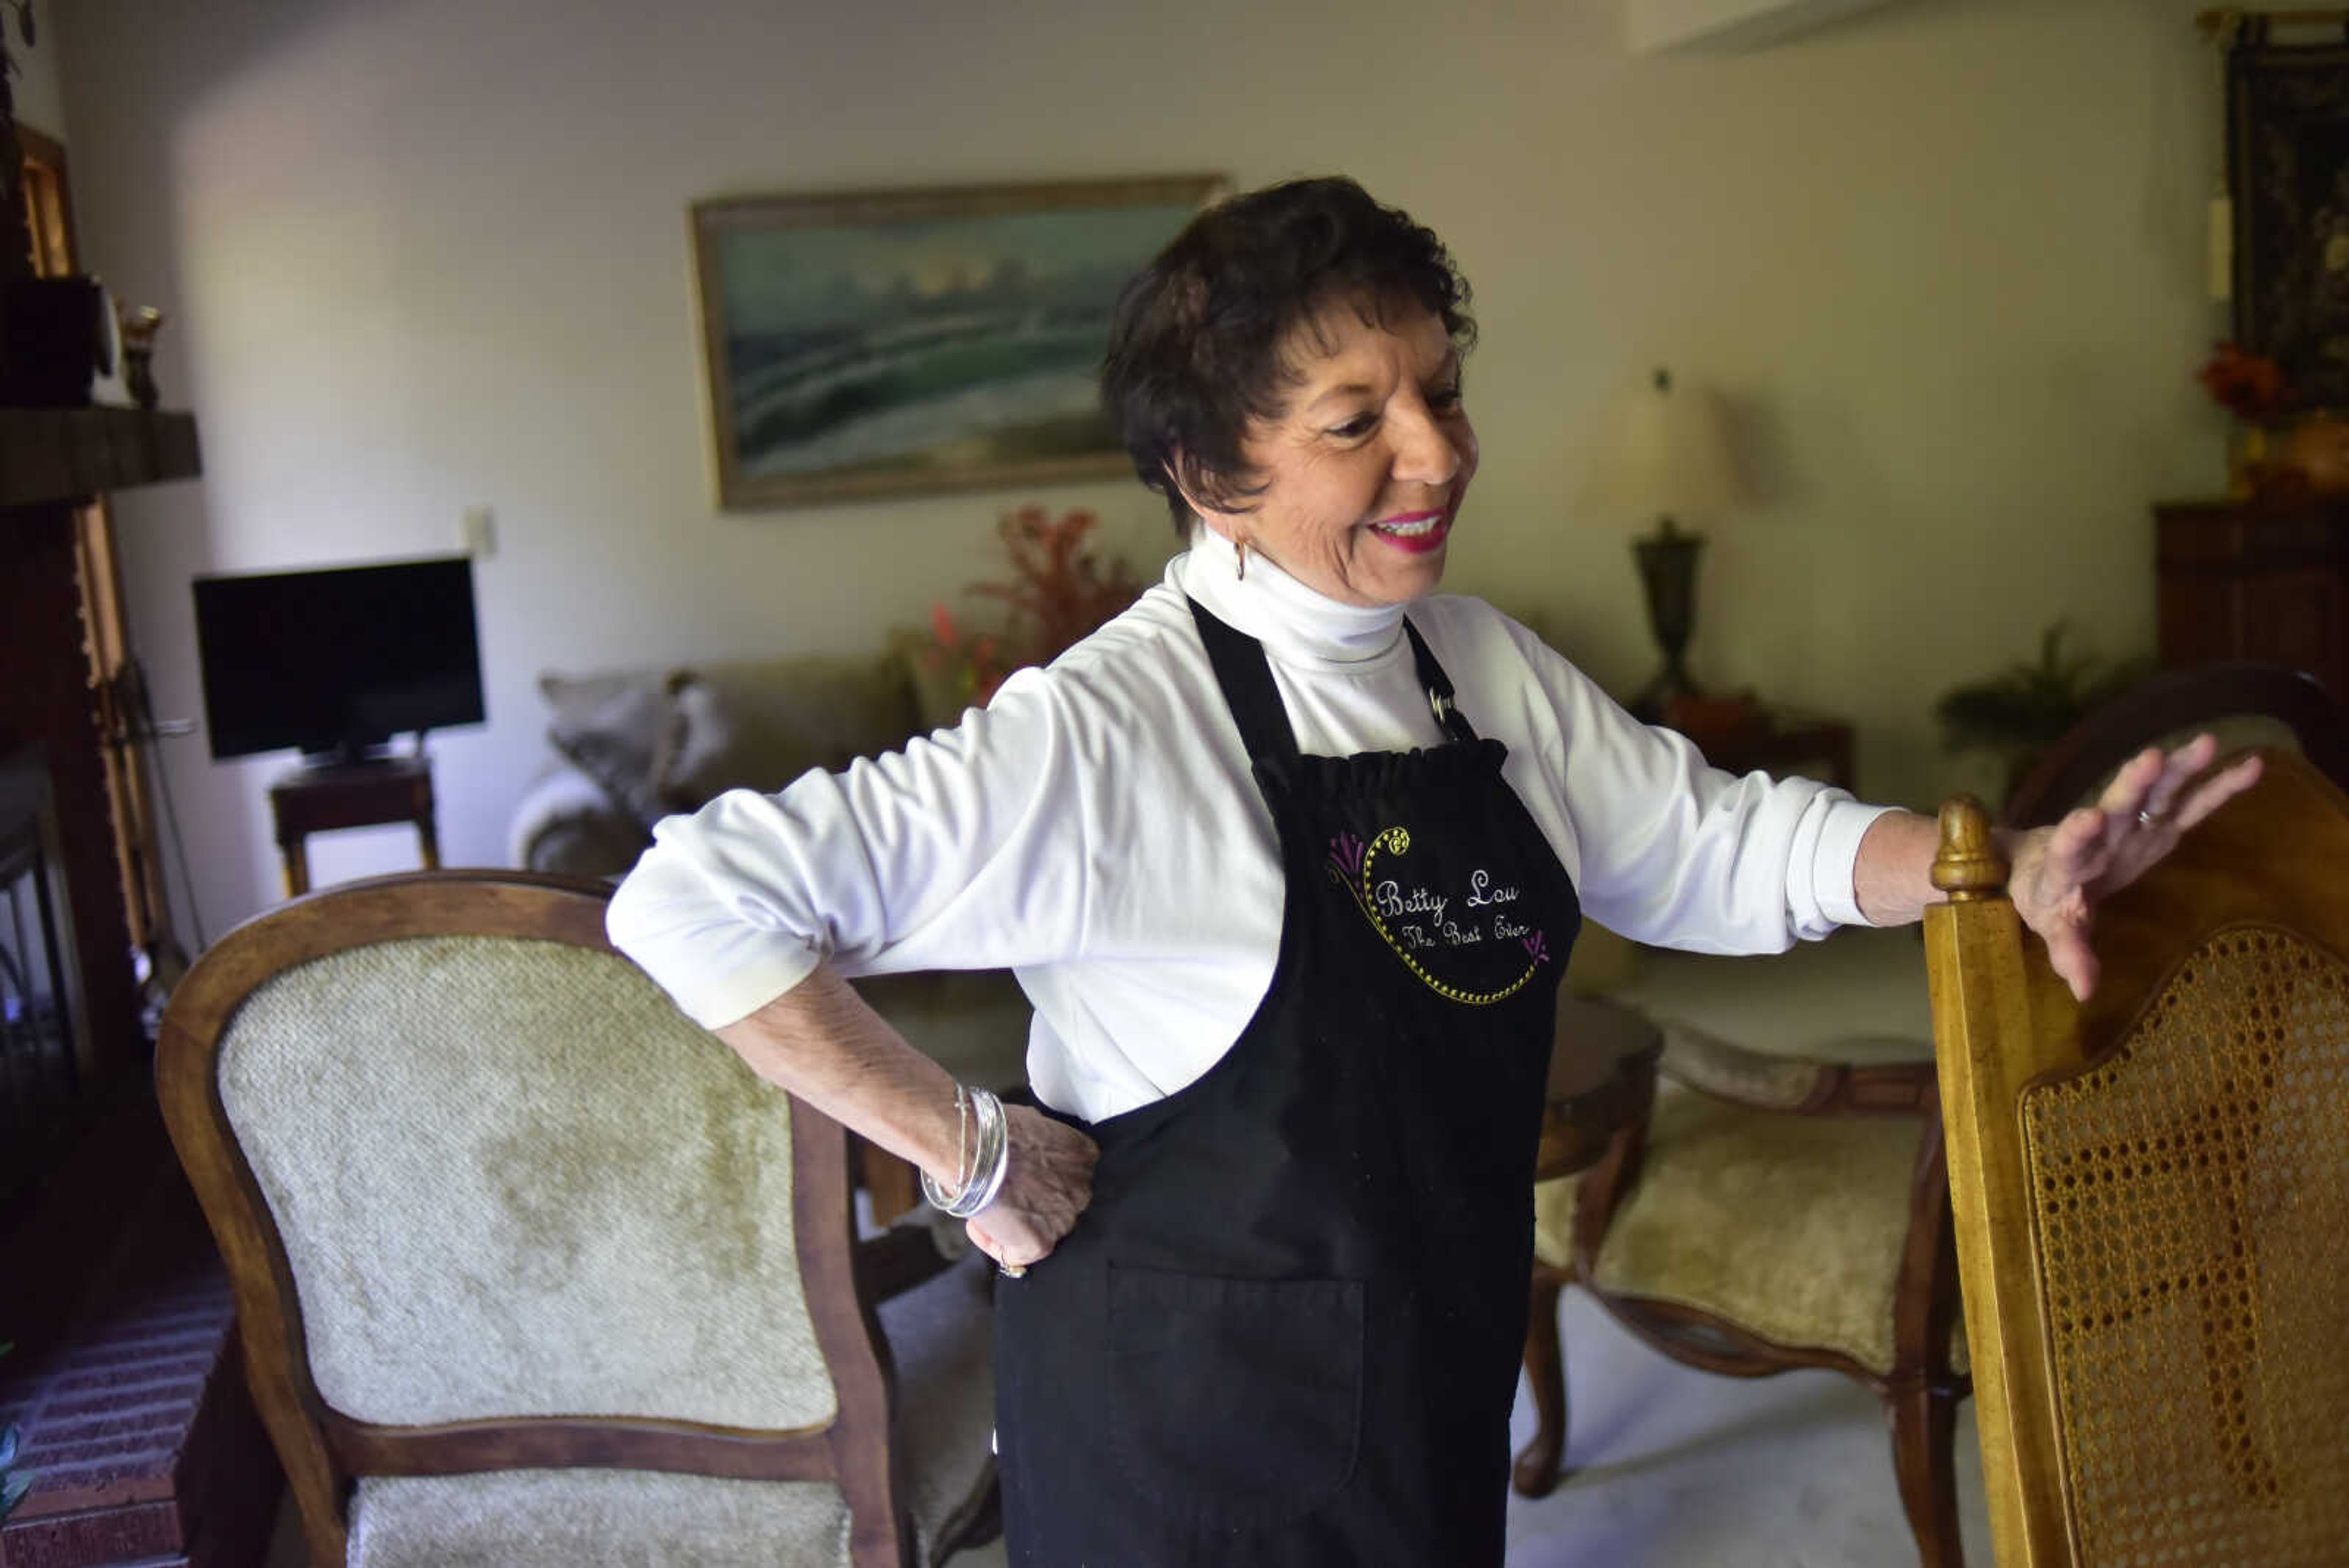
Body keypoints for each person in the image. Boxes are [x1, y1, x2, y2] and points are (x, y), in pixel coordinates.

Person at [607, 176, 2259, 1566]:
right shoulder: (1104, 729)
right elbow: (686, 898)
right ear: (1209, 476)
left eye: (1442, 390)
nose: (1439, 452)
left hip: (1428, 1373)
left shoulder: (1473, 660)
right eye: (1356, 423)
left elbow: (1709, 839)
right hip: (1183, 1440)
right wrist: (958, 1147)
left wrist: (1998, 871)